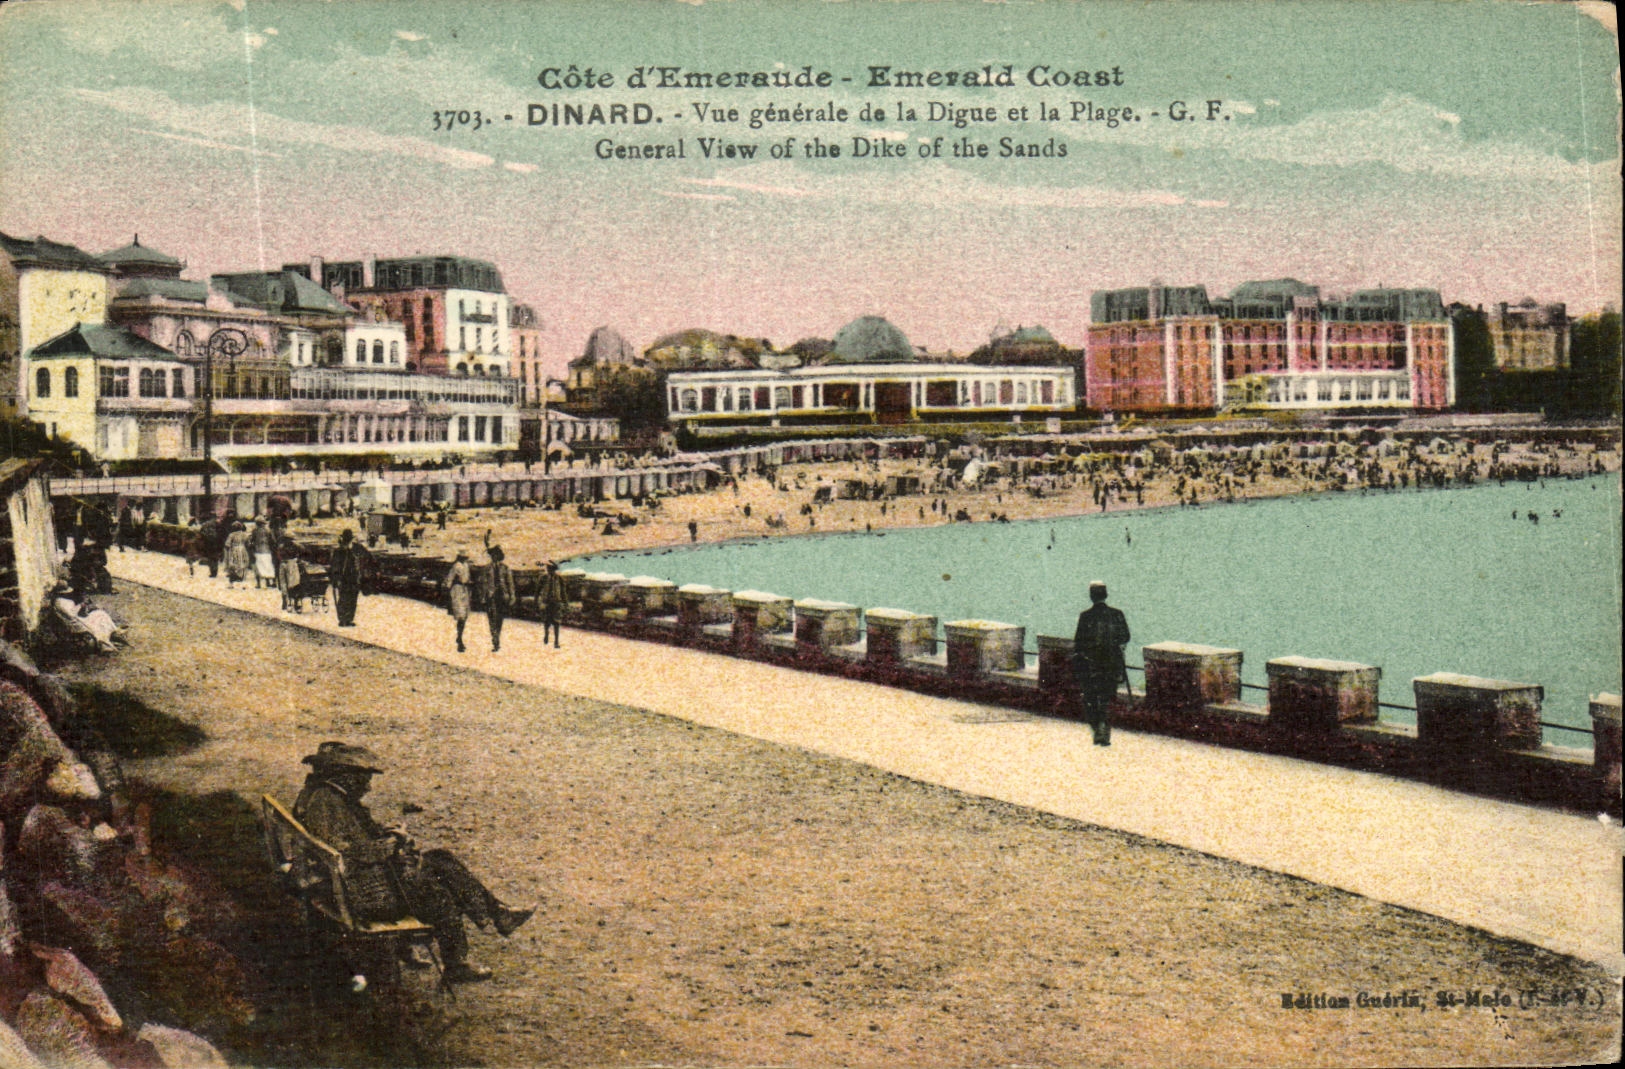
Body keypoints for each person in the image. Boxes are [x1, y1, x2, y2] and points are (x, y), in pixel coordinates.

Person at [293, 742, 533, 985]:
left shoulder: (322, 795)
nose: (367, 786)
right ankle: (459, 961)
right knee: (440, 894)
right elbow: (347, 853)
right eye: (363, 779)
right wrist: (389, 845)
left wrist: (387, 836)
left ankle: (497, 913)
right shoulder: (327, 803)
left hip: (354, 883)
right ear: (345, 777)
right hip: (366, 894)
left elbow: (346, 842)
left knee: (441, 858)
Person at [1072, 581, 1130, 746]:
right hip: (1112, 664)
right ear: (1106, 595)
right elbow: (1125, 637)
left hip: (1092, 665)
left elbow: (1078, 642)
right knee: (1107, 697)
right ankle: (1104, 729)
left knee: (1090, 698)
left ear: (1091, 597)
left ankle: (1098, 729)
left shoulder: (1086, 616)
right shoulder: (1117, 614)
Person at [478, 539, 516, 653]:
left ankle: (497, 636)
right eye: (492, 555)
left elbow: (510, 583)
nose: (494, 557)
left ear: (499, 556)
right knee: (492, 618)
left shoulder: (505, 568)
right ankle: (495, 640)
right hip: (491, 596)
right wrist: (483, 596)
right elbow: (483, 583)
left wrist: (512, 596)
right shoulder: (486, 568)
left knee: (500, 618)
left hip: (502, 596)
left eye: (496, 555)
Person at [329, 528, 365, 627]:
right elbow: (335, 566)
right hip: (344, 578)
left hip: (353, 577)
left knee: (352, 598)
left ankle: (349, 619)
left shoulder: (355, 549)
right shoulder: (339, 551)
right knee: (344, 598)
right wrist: (336, 579)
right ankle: (342, 619)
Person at [443, 550, 473, 652]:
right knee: (461, 615)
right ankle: (459, 639)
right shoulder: (456, 566)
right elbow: (449, 580)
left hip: (465, 590)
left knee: (464, 615)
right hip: (457, 591)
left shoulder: (465, 566)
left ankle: (459, 637)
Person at [538, 560, 564, 649]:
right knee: (546, 620)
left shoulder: (559, 579)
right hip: (546, 602)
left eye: (551, 569)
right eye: (548, 569)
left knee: (557, 622)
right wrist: (536, 601)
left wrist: (565, 603)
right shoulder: (543, 578)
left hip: (556, 602)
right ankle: (546, 634)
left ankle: (556, 641)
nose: (549, 570)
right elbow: (538, 590)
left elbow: (563, 592)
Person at [250, 517, 277, 590]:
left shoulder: (254, 531)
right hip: (267, 551)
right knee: (267, 566)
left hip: (258, 551)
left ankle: (259, 584)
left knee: (258, 567)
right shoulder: (268, 531)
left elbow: (251, 540)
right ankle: (268, 582)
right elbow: (273, 541)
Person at [222, 522, 251, 587]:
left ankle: (231, 583)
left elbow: (227, 545)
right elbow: (248, 544)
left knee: (233, 566)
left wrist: (226, 553)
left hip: (234, 550)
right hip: (243, 550)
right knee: (243, 565)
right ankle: (243, 582)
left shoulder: (231, 535)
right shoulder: (245, 535)